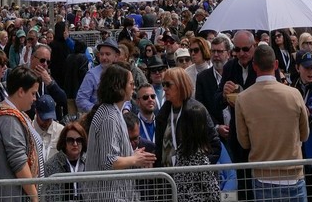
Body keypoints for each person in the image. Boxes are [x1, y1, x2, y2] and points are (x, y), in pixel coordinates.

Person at [231, 43, 308, 201]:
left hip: (263, 174)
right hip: (293, 174)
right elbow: (305, 134)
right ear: (276, 64)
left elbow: (244, 142)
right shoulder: (294, 94)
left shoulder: (243, 99)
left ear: (254, 66)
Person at [83, 64, 154, 201]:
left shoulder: (113, 112)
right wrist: (134, 159)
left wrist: (132, 155)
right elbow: (109, 161)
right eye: (131, 83)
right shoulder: (109, 116)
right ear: (119, 86)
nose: (133, 87)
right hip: (107, 196)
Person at [156, 67, 219, 202]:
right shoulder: (163, 113)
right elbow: (159, 147)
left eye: (168, 84)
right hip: (168, 180)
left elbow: (214, 145)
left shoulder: (196, 111)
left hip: (192, 183)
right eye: (163, 84)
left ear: (180, 85)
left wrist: (197, 169)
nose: (165, 88)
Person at [0, 67, 43, 201]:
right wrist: (35, 197)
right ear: (21, 91)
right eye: (33, 93)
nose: (35, 98)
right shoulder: (9, 120)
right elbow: (19, 163)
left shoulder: (17, 116)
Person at [41, 124, 88, 202]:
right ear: (64, 142)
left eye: (79, 140)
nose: (75, 144)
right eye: (70, 140)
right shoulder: (51, 165)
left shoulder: (89, 161)